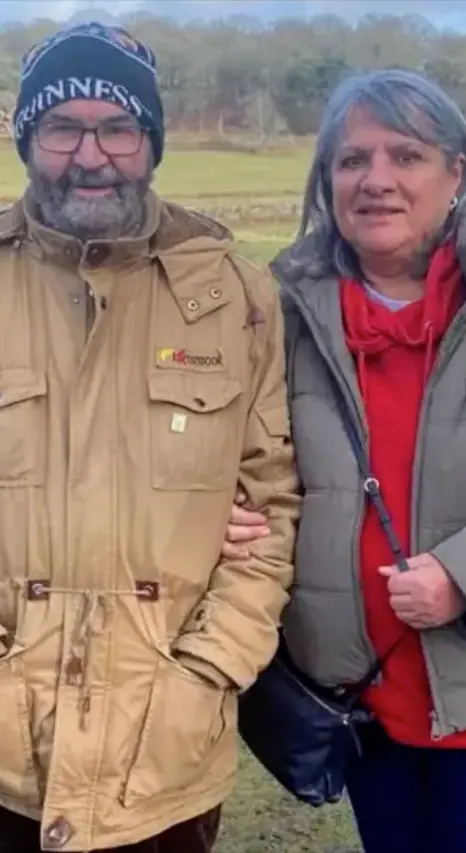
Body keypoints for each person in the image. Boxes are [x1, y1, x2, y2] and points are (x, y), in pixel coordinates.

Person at [0, 22, 299, 853]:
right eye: (61, 127)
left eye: (118, 127)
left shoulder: (238, 296)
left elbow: (272, 510)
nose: (90, 155)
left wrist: (203, 673)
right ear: (27, 138)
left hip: (162, 760)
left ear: (153, 140)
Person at [223, 68, 466, 853]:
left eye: (406, 155)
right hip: (361, 701)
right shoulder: (282, 309)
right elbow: (248, 457)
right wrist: (219, 510)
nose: (376, 181)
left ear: (457, 172)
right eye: (351, 159)